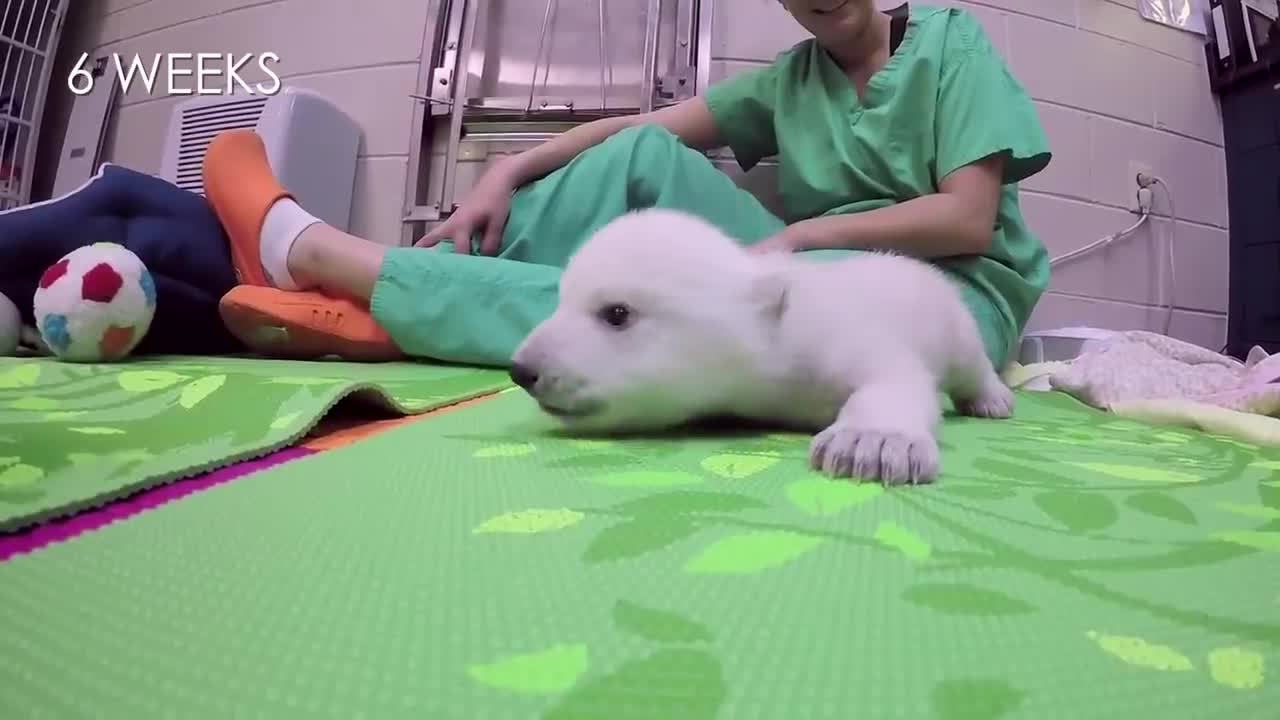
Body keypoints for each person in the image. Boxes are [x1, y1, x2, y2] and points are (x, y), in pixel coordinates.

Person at [208, 0, 1051, 368]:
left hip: (948, 299)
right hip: (813, 265)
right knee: (637, 160)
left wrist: (801, 235)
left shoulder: (950, 42)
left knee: (711, 298)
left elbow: (969, 219)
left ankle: (330, 262)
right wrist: (509, 166)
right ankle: (395, 311)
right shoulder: (792, 80)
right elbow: (638, 134)